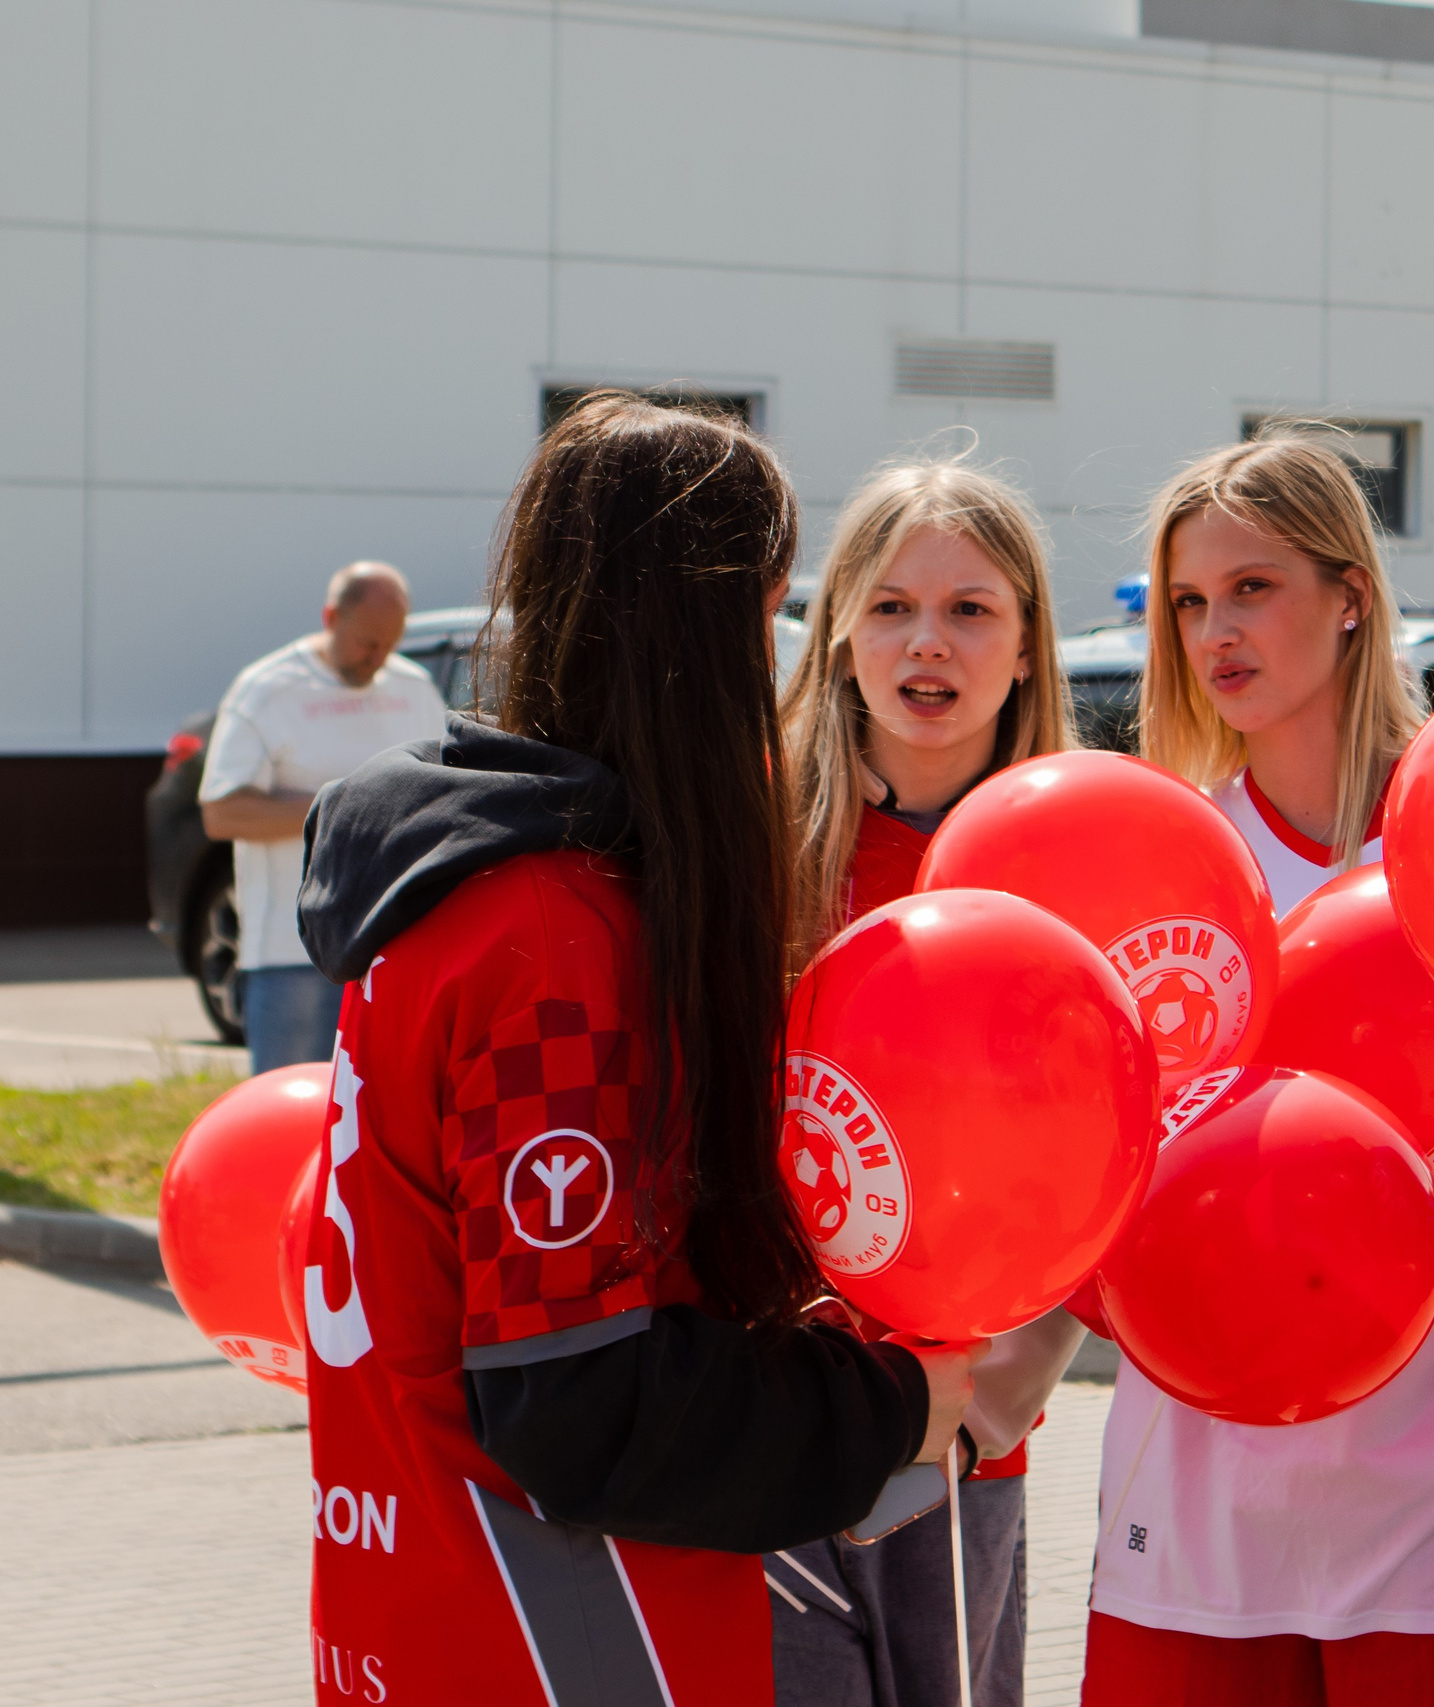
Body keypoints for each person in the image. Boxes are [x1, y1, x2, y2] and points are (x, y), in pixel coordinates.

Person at [294, 394, 980, 1704]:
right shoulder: (553, 938)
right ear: (720, 621)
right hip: (557, 1640)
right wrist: (894, 1400)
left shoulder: (453, 898)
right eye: (776, 611)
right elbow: (580, 1399)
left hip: (413, 1611)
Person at [1079, 430, 1434, 1707]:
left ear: (1352, 597)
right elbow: (1073, 1201)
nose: (1215, 630)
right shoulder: (1151, 870)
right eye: (1188, 601)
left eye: (1253, 587)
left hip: (1433, 1517)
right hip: (1191, 1514)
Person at [770, 457, 1089, 1707]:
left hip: (960, 1442)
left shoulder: (1078, 859)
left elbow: (1132, 1145)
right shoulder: (759, 845)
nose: (928, 643)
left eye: (972, 611)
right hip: (767, 1421)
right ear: (841, 630)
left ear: (1025, 650)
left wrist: (1002, 1392)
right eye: (893, 606)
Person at [199, 561, 443, 1072]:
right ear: (331, 616)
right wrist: (344, 806)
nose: (378, 659)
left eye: (390, 644)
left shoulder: (415, 688)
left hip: (388, 945)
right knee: (289, 1117)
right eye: (367, 643)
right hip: (291, 953)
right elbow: (221, 813)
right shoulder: (268, 690)